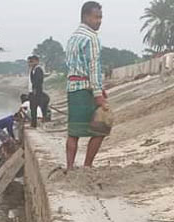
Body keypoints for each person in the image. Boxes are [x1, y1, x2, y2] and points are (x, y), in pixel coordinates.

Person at [65, 1, 108, 170]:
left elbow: (71, 65)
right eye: (96, 17)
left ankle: (69, 167)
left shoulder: (72, 38)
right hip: (87, 90)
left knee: (73, 132)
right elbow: (93, 67)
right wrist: (98, 94)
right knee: (101, 129)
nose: (99, 21)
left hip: (72, 89)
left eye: (100, 17)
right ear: (85, 17)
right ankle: (87, 166)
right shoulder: (91, 38)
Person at [28, 55, 51, 128]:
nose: (30, 63)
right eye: (29, 62)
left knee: (35, 108)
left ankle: (35, 124)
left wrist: (35, 90)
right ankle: (34, 123)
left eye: (32, 61)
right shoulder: (32, 70)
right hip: (32, 91)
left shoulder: (38, 70)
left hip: (36, 92)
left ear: (37, 61)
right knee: (33, 108)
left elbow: (38, 81)